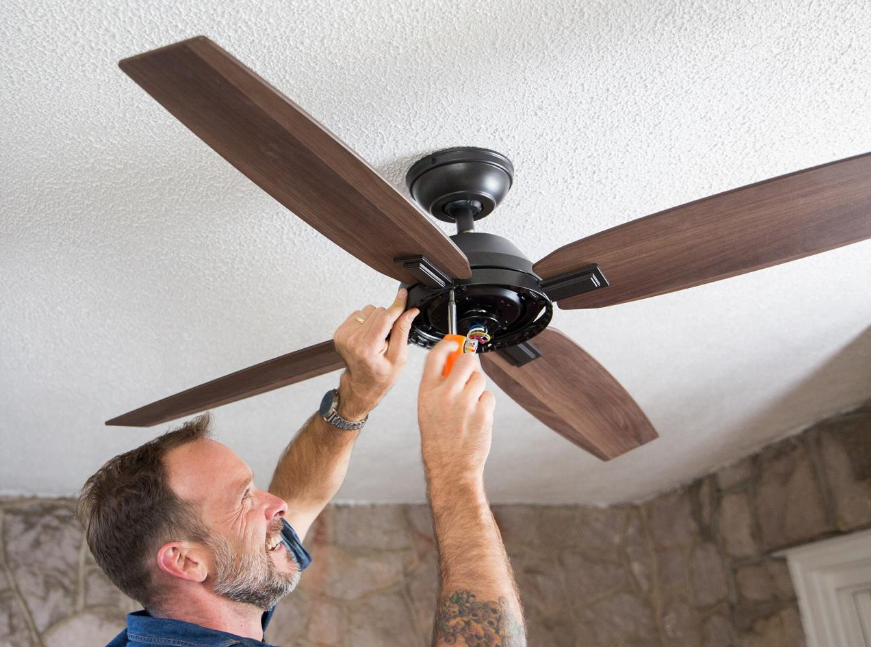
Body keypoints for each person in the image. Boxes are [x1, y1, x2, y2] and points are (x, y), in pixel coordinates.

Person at [78, 288, 527, 647]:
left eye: (253, 489)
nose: (277, 504)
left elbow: (302, 496)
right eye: (244, 499)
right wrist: (456, 472)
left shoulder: (215, 606)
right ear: (186, 561)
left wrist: (356, 399)